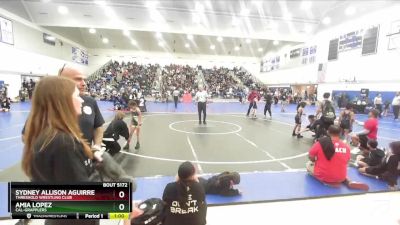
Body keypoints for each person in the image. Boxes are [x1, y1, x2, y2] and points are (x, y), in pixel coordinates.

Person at [21, 76, 98, 225]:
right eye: (77, 96)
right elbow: (81, 200)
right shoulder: (64, 143)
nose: (82, 100)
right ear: (63, 101)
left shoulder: (45, 136)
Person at [307, 125, 369, 190]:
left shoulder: (320, 143)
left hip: (325, 176)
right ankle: (349, 181)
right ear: (340, 133)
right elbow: (346, 161)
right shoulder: (346, 146)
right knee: (337, 166)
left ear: (328, 132)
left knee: (308, 165)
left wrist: (315, 160)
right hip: (340, 177)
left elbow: (311, 157)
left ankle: (327, 180)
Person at [59, 66, 105, 149]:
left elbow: (98, 126)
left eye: (84, 80)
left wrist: (97, 146)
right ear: (62, 80)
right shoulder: (49, 105)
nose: (84, 83)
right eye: (78, 79)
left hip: (86, 158)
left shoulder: (90, 101)